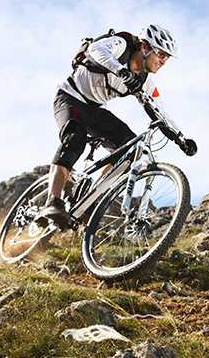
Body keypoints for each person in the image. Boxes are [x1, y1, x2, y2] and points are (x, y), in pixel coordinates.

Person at [35, 24, 197, 227]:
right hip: (70, 97)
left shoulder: (146, 82)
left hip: (94, 109)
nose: (164, 61)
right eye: (162, 54)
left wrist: (181, 139)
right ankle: (53, 201)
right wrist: (121, 71)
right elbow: (96, 50)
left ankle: (90, 202)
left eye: (168, 58)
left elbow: (159, 109)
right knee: (75, 138)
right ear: (145, 47)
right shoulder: (122, 44)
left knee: (129, 148)